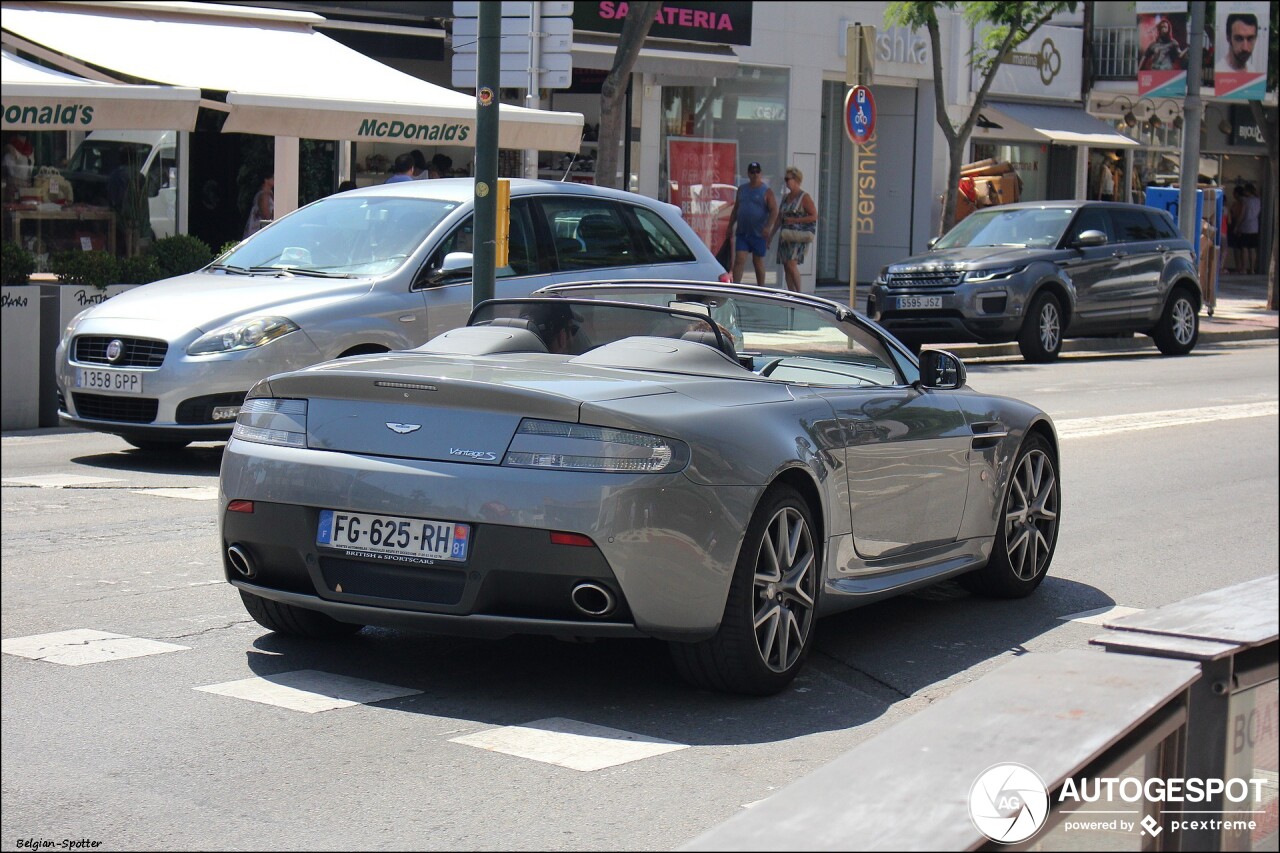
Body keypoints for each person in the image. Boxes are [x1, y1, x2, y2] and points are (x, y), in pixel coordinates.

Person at [727, 162, 778, 287]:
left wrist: (768, 227)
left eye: (757, 172)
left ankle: (761, 288)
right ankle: (736, 287)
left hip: (758, 232)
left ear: (760, 173)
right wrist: (730, 225)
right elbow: (736, 208)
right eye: (752, 172)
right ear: (748, 174)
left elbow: (774, 210)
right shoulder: (742, 189)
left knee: (757, 260)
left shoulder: (766, 191)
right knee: (739, 259)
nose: (755, 175)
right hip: (743, 232)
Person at [776, 166, 817, 293]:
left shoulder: (804, 197)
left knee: (791, 263)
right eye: (785, 179)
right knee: (786, 265)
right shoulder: (785, 198)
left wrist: (795, 220)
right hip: (785, 235)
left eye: (788, 179)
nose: (786, 181)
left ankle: (799, 293)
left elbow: (814, 216)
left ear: (796, 180)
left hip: (798, 235)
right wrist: (770, 234)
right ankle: (791, 293)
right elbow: (779, 217)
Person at [2, 132, 35, 201]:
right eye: (20, 136)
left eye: (24, 136)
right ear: (16, 136)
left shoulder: (30, 149)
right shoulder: (11, 151)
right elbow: (8, 170)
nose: (23, 138)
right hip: (14, 187)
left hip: (27, 187)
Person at [1237, 183, 1261, 275]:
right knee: (1252, 248)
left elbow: (1242, 214)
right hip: (1255, 226)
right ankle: (1252, 269)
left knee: (1244, 248)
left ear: (1247, 191)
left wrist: (1237, 226)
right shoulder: (1258, 200)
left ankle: (1244, 268)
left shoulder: (1245, 201)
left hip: (1246, 225)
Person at [243, 172, 274, 238]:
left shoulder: (269, 193)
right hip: (257, 231)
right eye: (273, 178)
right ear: (266, 180)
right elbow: (266, 216)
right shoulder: (263, 195)